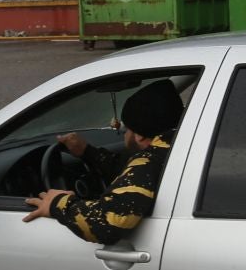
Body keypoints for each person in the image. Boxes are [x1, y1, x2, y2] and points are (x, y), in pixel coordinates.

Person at [24, 79, 184, 244]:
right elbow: (130, 175)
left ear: (140, 136)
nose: (124, 134)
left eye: (126, 129)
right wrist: (88, 152)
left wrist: (58, 203)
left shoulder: (149, 161)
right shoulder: (180, 146)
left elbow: (108, 223)